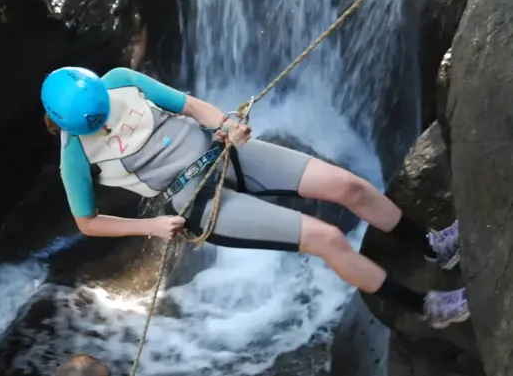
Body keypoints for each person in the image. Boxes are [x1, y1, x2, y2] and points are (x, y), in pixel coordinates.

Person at [40, 66, 468, 329]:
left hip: (225, 152)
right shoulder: (74, 156)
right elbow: (87, 222)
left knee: (348, 186)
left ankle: (433, 246)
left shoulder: (121, 82)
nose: (105, 123)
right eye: (95, 124)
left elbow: (190, 106)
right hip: (198, 203)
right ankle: (428, 307)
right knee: (329, 239)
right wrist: (150, 226)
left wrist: (225, 123)